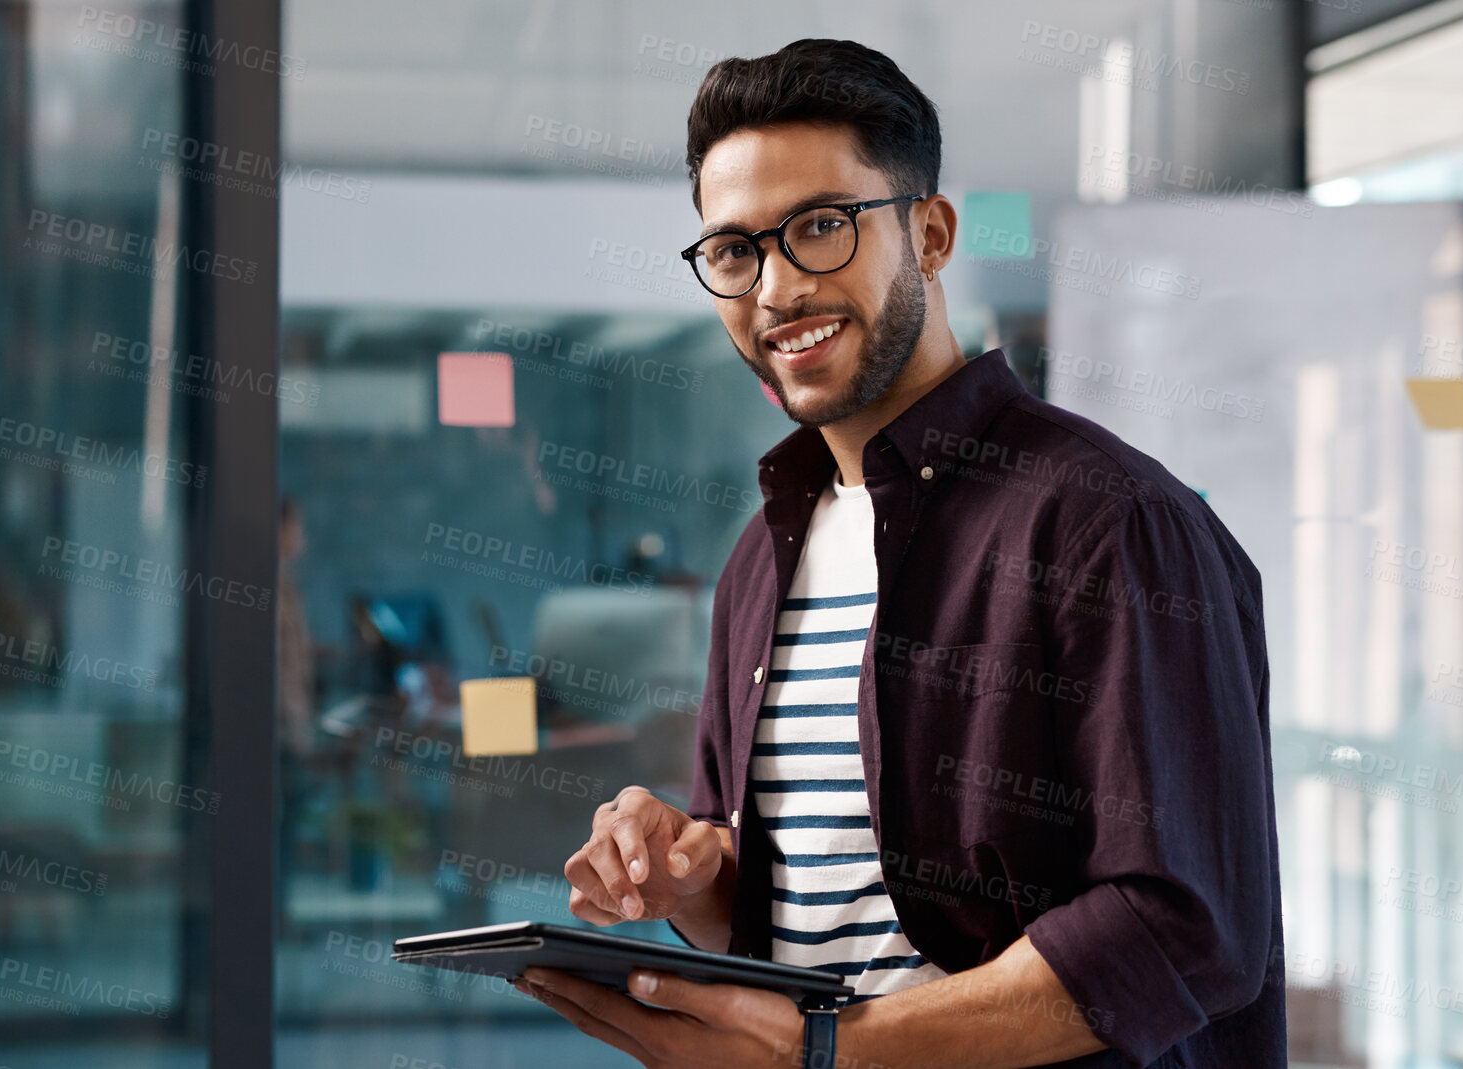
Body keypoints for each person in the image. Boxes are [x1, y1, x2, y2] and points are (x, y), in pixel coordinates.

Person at [519, 39, 1285, 1069]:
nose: (778, 288)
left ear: (929, 233)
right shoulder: (764, 552)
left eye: (823, 227)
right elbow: (795, 914)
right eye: (735, 250)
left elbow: (1177, 926)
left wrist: (830, 1046)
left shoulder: (1107, 520)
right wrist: (691, 874)